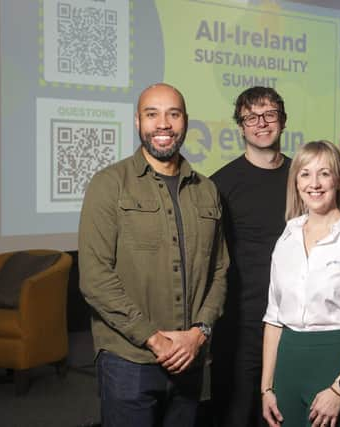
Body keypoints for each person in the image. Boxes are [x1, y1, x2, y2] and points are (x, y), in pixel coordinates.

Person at [78, 83, 229, 427]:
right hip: (127, 360)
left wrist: (198, 334)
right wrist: (153, 338)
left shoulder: (207, 190)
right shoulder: (109, 184)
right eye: (152, 114)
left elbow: (219, 270)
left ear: (185, 122)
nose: (163, 124)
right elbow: (95, 277)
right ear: (137, 122)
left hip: (190, 357)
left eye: (172, 114)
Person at [261, 140, 340, 427]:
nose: (315, 183)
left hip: (339, 365)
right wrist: (267, 388)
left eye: (324, 173)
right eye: (305, 173)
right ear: (296, 182)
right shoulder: (286, 239)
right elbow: (274, 319)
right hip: (287, 368)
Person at [210, 86, 291, 427]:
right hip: (242, 321)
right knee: (239, 412)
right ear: (240, 126)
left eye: (269, 114)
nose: (261, 123)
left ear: (282, 121)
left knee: (284, 412)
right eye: (251, 117)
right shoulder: (219, 184)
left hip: (294, 319)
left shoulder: (304, 177)